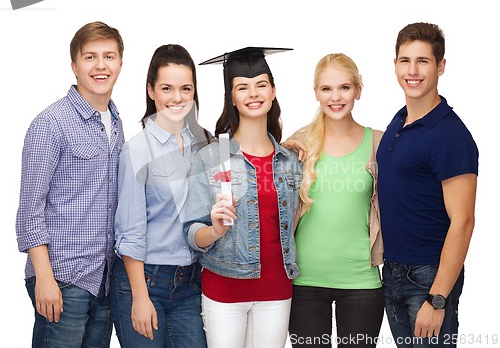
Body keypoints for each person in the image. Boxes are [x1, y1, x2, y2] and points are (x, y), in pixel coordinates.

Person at [183, 47, 302, 348]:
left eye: (261, 84)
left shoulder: (290, 160)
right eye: (242, 87)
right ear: (232, 97)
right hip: (224, 290)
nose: (253, 93)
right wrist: (215, 229)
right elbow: (191, 234)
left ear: (273, 91)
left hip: (277, 291)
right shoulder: (211, 158)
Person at [15, 21, 124, 348]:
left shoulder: (115, 123)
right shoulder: (50, 125)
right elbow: (29, 212)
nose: (101, 65)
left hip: (103, 280)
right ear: (74, 65)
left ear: (120, 63)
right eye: (90, 57)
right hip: (62, 280)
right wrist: (45, 279)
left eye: (109, 56)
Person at [377, 22, 478, 348]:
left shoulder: (451, 136)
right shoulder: (399, 120)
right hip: (391, 272)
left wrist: (437, 299)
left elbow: (463, 222)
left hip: (428, 277)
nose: (413, 70)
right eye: (405, 60)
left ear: (440, 66)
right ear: (395, 65)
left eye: (423, 61)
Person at [110, 44, 211, 348]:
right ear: (151, 90)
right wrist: (140, 297)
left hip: (190, 283)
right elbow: (130, 230)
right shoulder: (137, 150)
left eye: (185, 88)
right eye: (167, 88)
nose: (177, 98)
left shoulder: (205, 144)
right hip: (144, 282)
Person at [284, 53, 384, 348]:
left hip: (361, 282)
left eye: (344, 87)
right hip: (304, 282)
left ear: (358, 90)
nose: (335, 97)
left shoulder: (378, 143)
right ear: (316, 92)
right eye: (326, 89)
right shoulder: (298, 144)